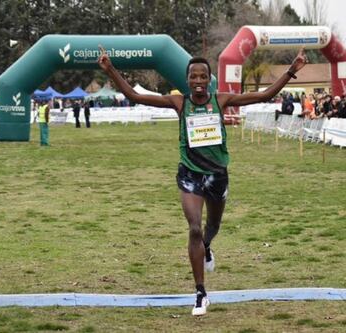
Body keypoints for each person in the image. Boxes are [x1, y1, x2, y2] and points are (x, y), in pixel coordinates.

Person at [98, 45, 307, 316]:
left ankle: (207, 247)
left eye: (202, 77)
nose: (197, 81)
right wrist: (110, 68)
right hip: (189, 174)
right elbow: (134, 96)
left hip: (217, 175)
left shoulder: (221, 100)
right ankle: (200, 292)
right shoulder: (179, 103)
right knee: (194, 228)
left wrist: (292, 69)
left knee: (212, 226)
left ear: (209, 80)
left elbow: (265, 94)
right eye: (193, 77)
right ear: (186, 80)